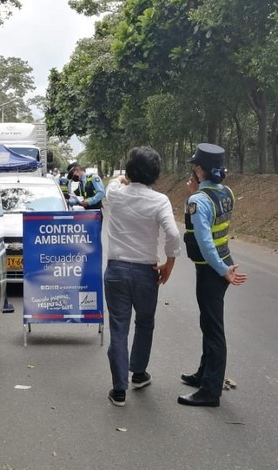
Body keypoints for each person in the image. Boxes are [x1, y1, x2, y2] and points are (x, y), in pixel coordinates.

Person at [103, 146, 181, 407]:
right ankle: (138, 373)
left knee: (119, 328)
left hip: (116, 271)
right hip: (146, 273)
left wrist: (123, 179)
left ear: (129, 170)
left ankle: (119, 390)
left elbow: (114, 183)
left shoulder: (115, 194)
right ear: (156, 174)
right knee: (145, 322)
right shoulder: (160, 201)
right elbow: (173, 234)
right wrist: (170, 262)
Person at [178, 143, 247, 408]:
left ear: (199, 170)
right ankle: (203, 374)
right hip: (223, 263)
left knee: (213, 328)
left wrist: (221, 271)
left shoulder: (198, 201)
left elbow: (205, 242)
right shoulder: (226, 192)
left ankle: (210, 391)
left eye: (194, 168)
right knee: (208, 323)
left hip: (213, 268)